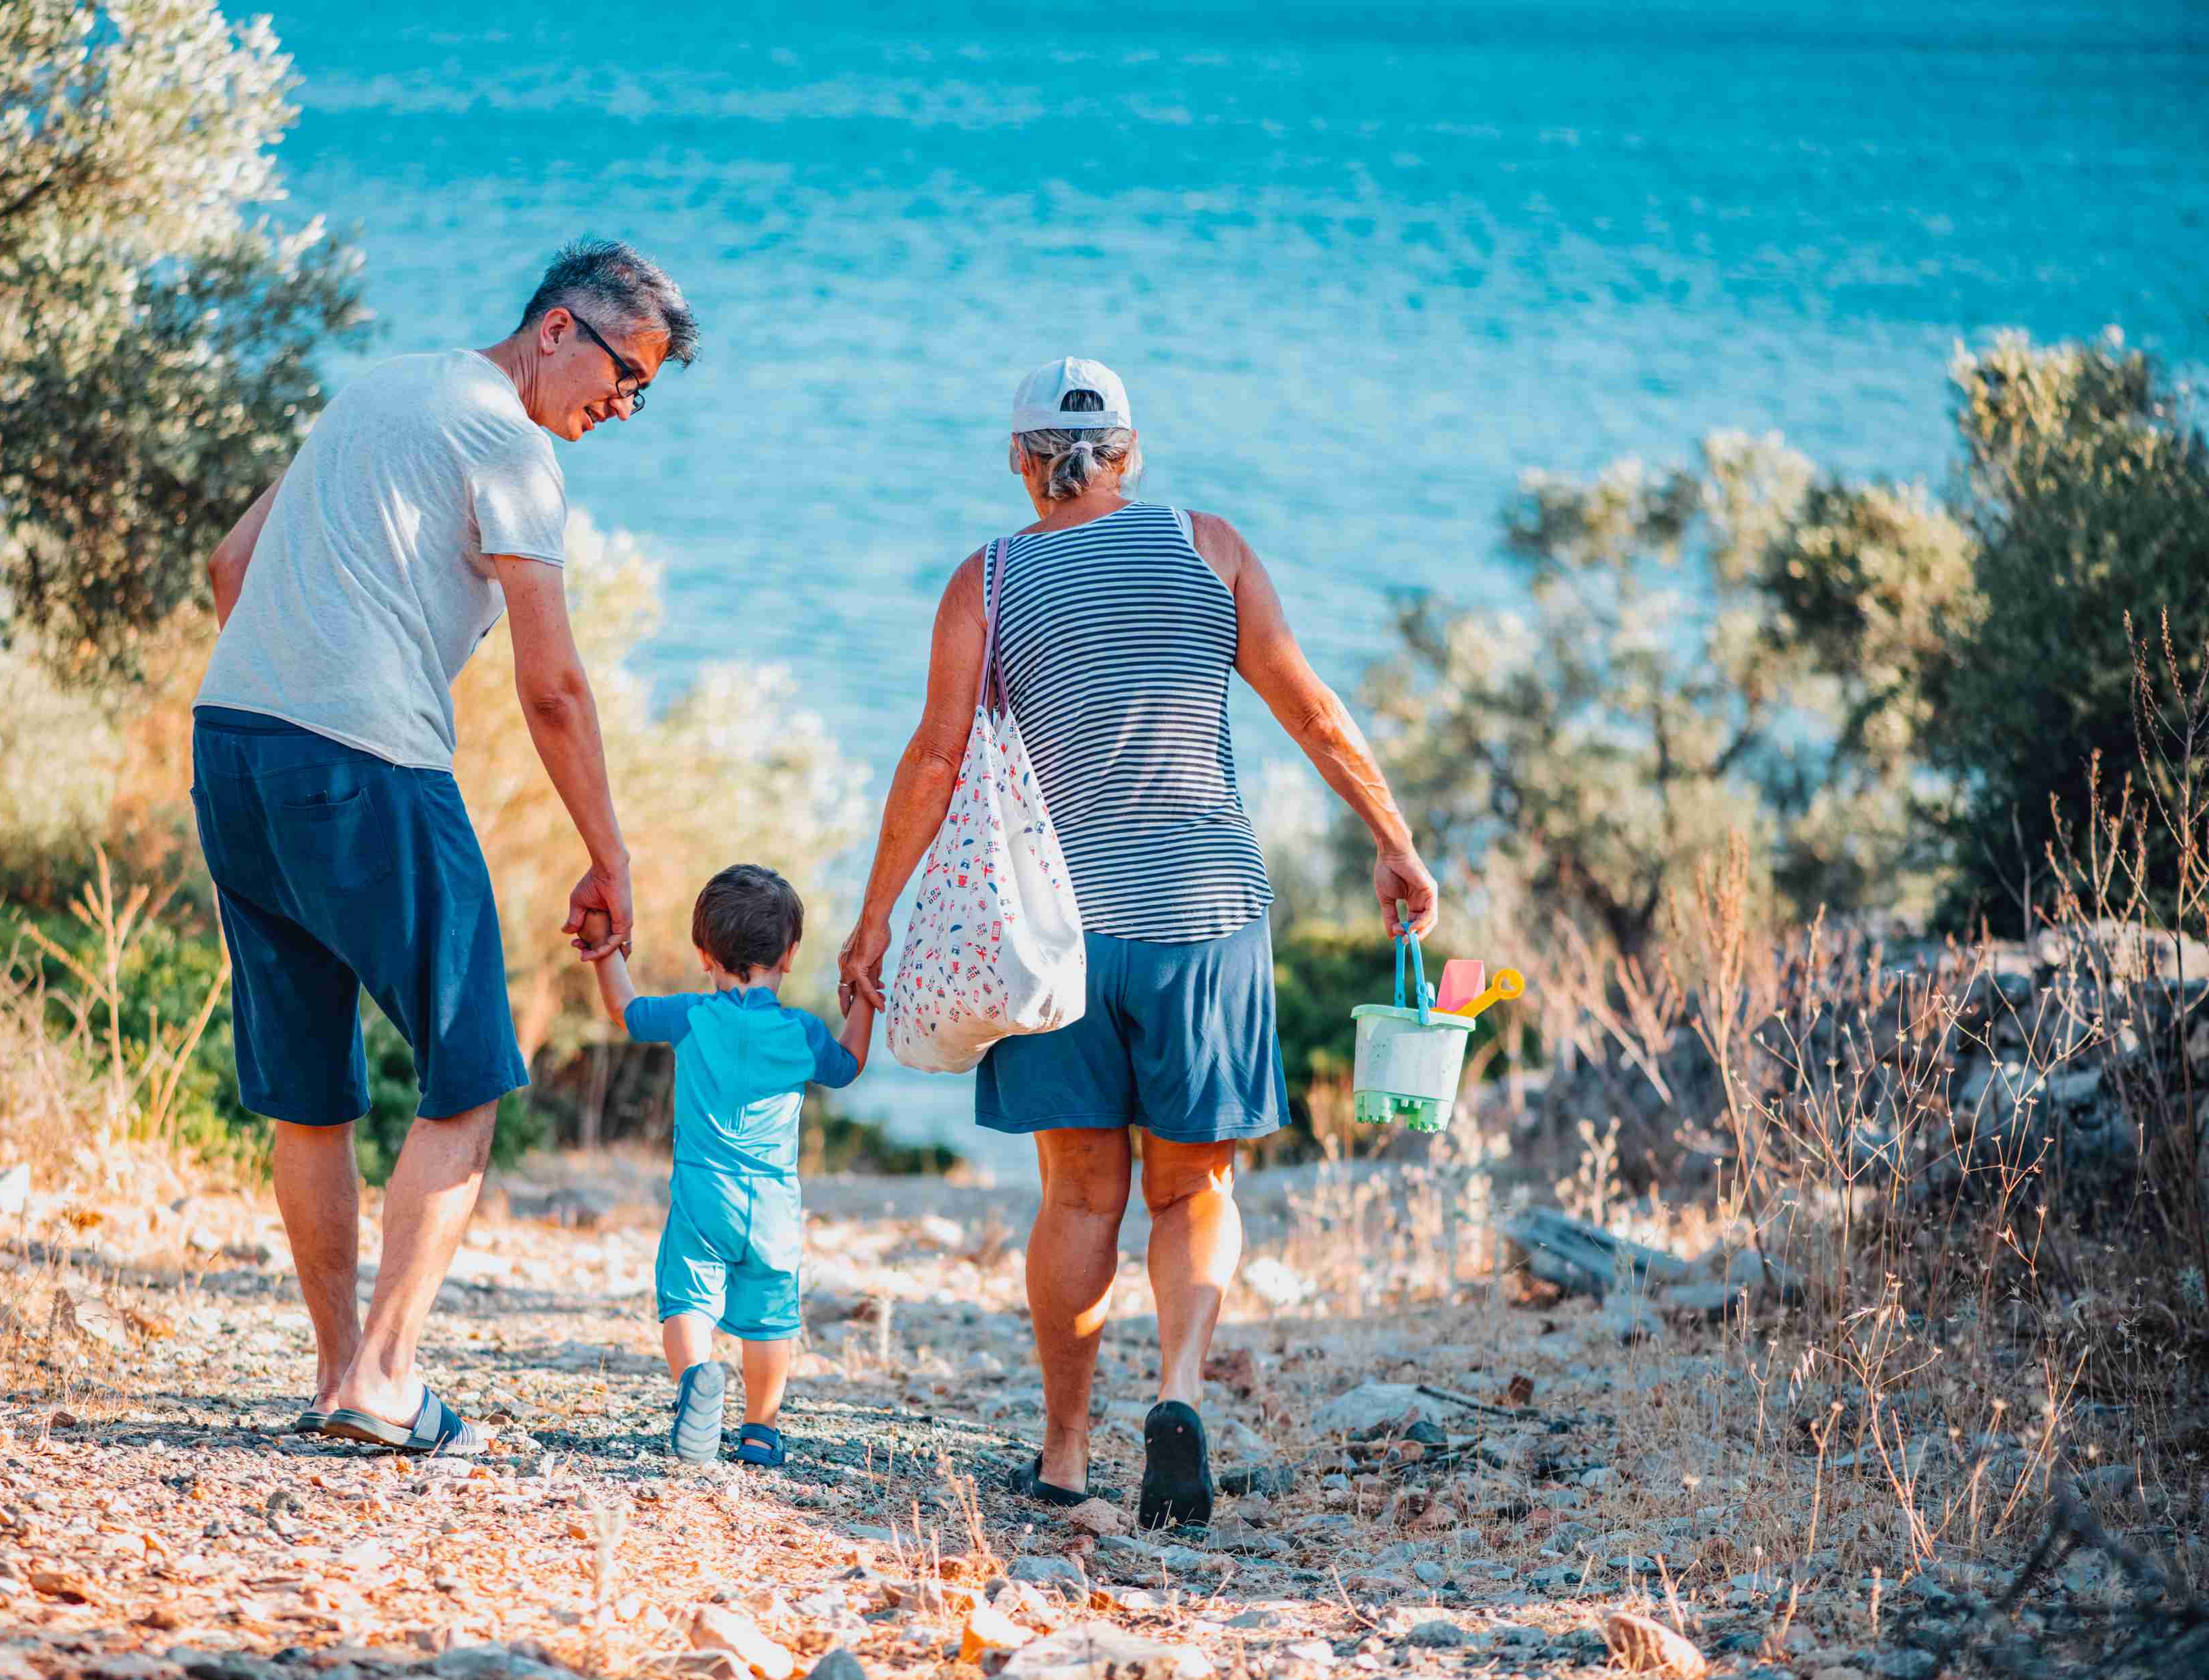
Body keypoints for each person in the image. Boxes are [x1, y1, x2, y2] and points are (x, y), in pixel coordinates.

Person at [839, 357, 1438, 1526]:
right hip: (1202, 918)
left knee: (1074, 1198)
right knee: (1192, 1183)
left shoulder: (989, 578)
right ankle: (1175, 1392)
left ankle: (1062, 1456)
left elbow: (934, 756)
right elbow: (1309, 707)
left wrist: (877, 918)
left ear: (1021, 461)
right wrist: (1394, 840)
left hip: (1055, 935)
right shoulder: (1210, 547)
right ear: (1130, 452)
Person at [191, 239, 698, 1456]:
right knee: (469, 1068)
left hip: (232, 748)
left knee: (309, 1091)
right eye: (625, 373)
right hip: (365, 764)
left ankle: (335, 1375)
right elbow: (555, 686)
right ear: (557, 329)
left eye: (644, 394)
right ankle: (385, 1371)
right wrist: (608, 856)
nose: (621, 407)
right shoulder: (509, 446)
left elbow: (230, 566)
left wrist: (299, 679)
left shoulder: (374, 391)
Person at [583, 865, 873, 1466]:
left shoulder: (692, 1015)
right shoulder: (802, 1032)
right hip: (772, 1206)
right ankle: (761, 1431)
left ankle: (696, 1379)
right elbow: (848, 1065)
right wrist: (863, 993)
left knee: (687, 1299)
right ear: (790, 957)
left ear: (703, 953)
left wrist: (604, 949)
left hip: (702, 1191)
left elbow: (623, 1009)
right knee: (770, 1318)